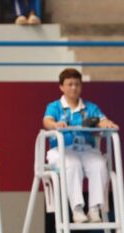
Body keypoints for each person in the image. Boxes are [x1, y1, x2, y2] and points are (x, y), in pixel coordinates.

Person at [42, 68, 116, 223]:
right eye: (69, 84)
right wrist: (56, 124)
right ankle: (77, 210)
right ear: (61, 87)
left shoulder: (90, 107)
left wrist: (107, 123)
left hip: (86, 150)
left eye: (77, 84)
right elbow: (46, 121)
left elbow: (101, 120)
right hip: (61, 150)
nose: (74, 88)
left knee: (100, 165)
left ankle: (94, 209)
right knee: (72, 164)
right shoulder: (54, 106)